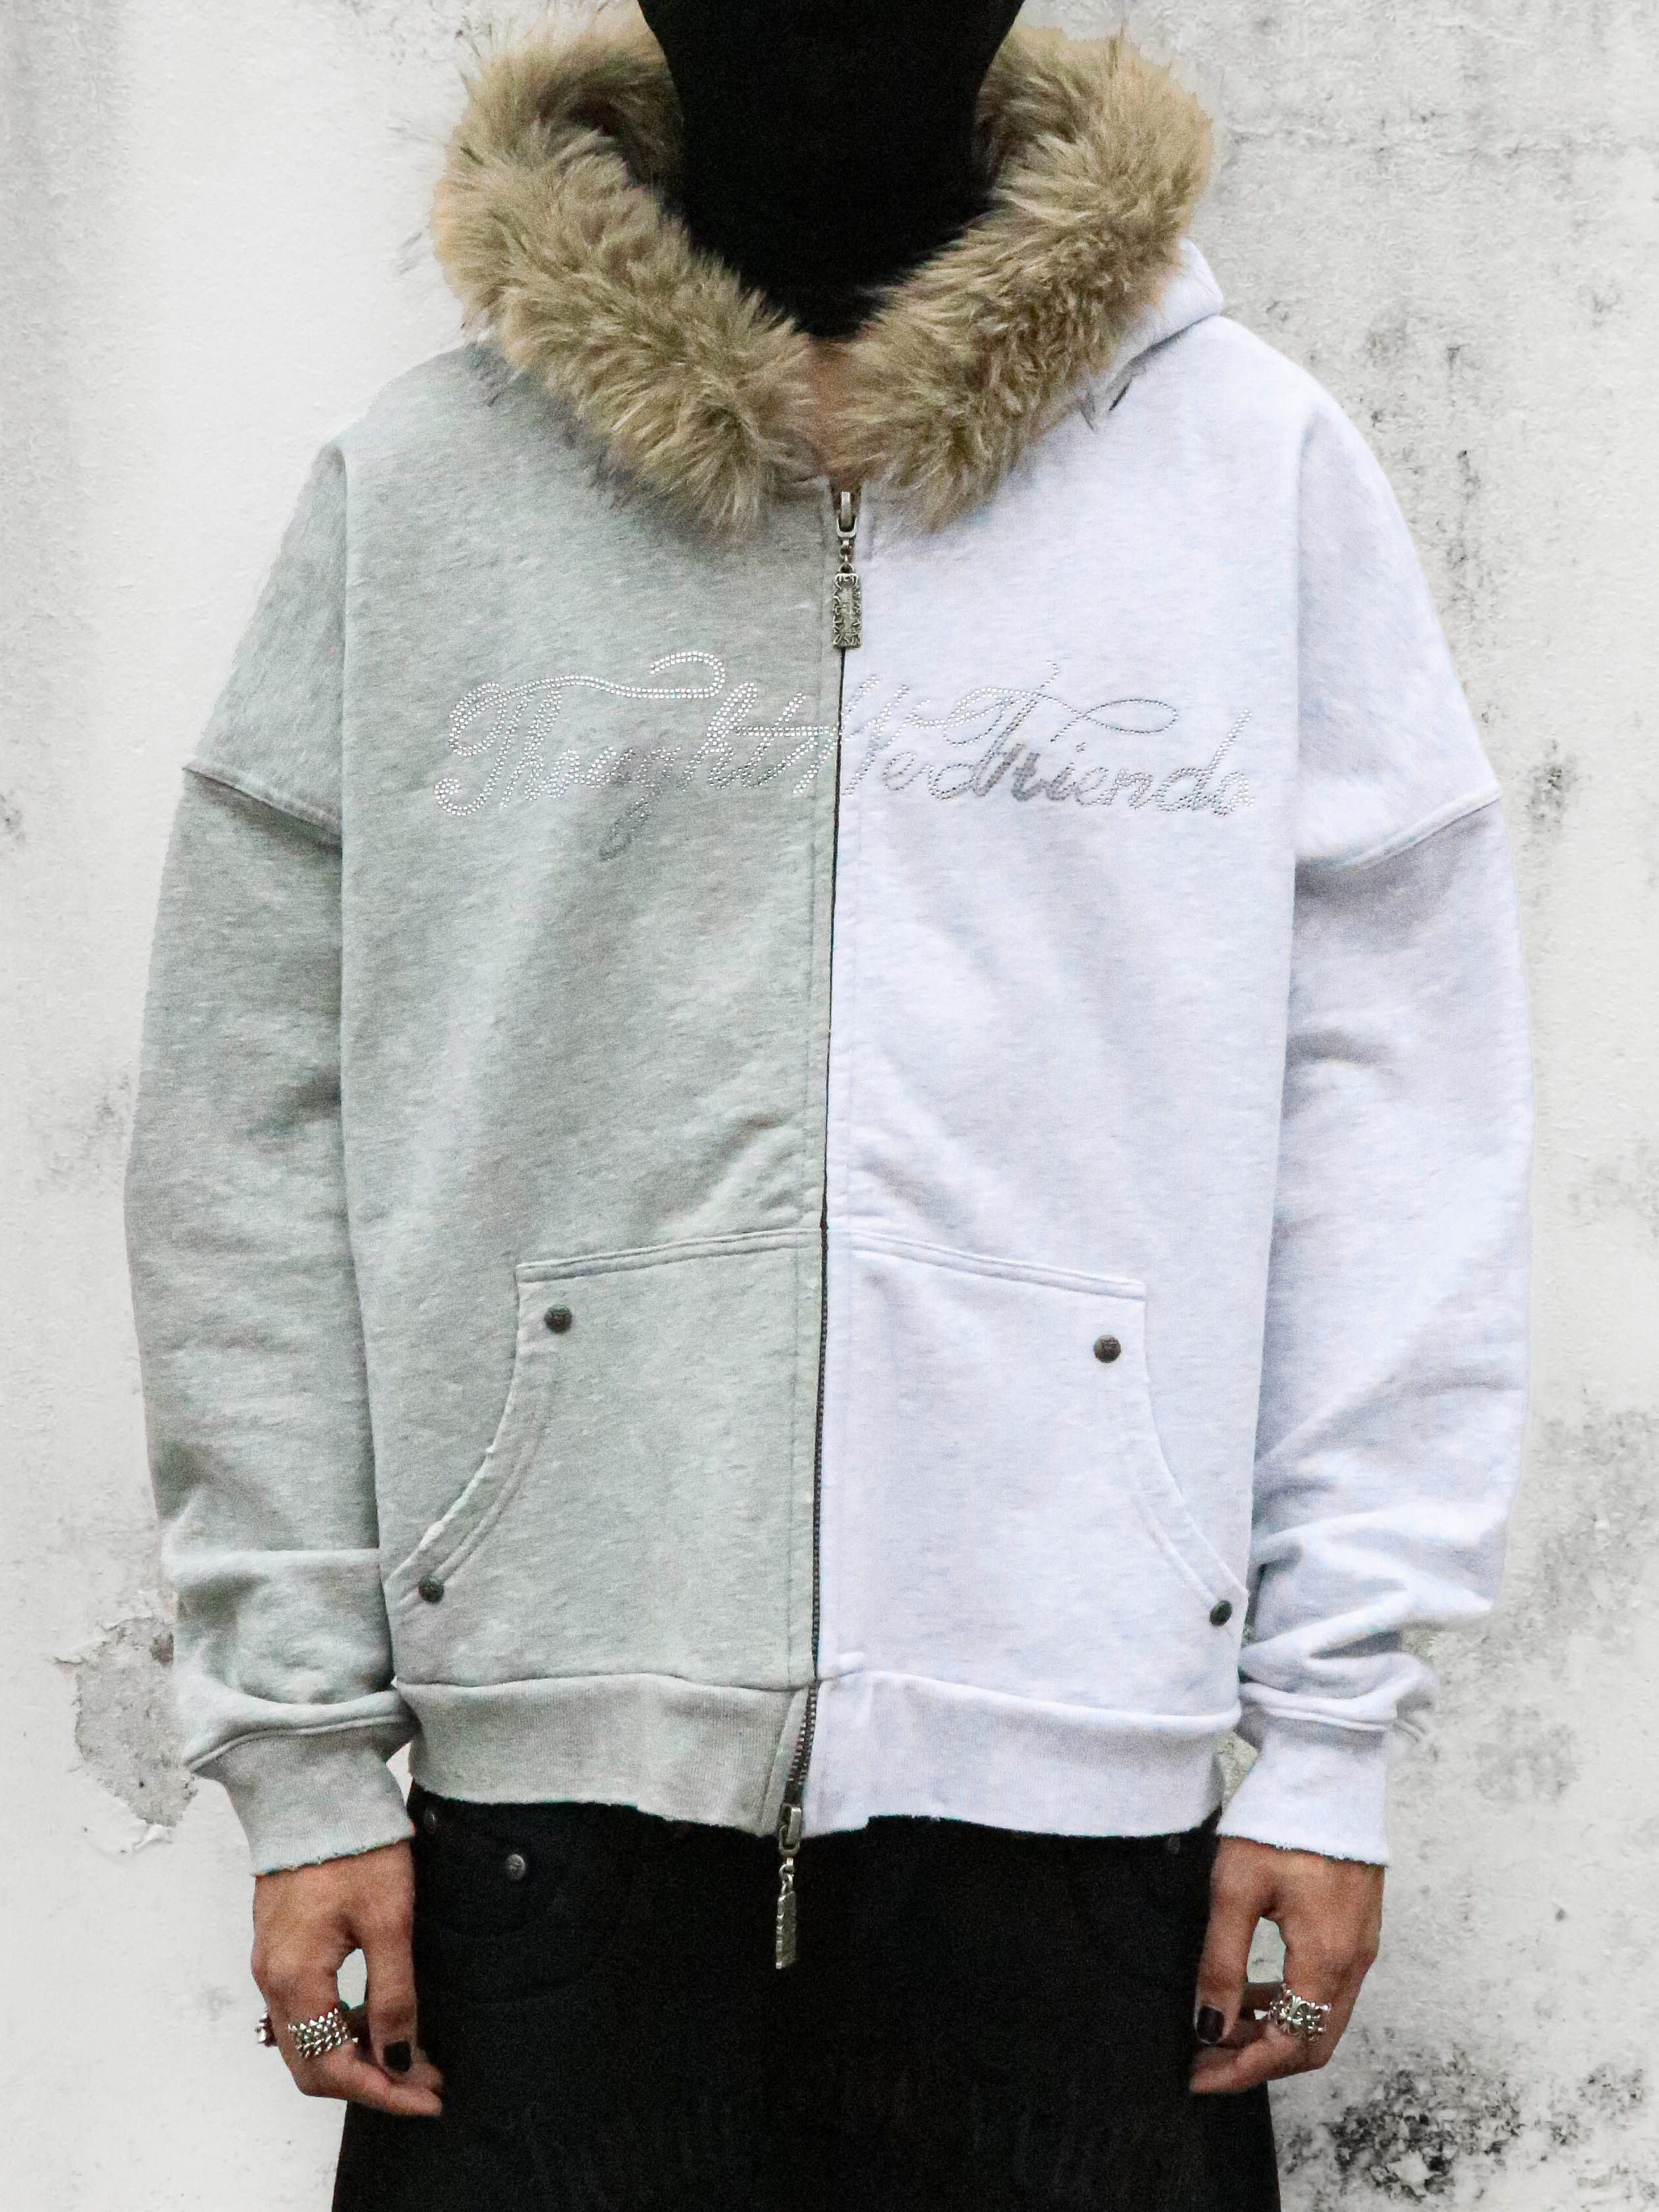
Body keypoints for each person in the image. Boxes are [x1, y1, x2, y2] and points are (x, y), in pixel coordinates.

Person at [124, 4, 1532, 2207]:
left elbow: (1397, 1104)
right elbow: (250, 1126)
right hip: (545, 1832)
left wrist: (1334, 1731)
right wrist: (303, 1755)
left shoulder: (1245, 471)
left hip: (1087, 1821)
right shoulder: (428, 488)